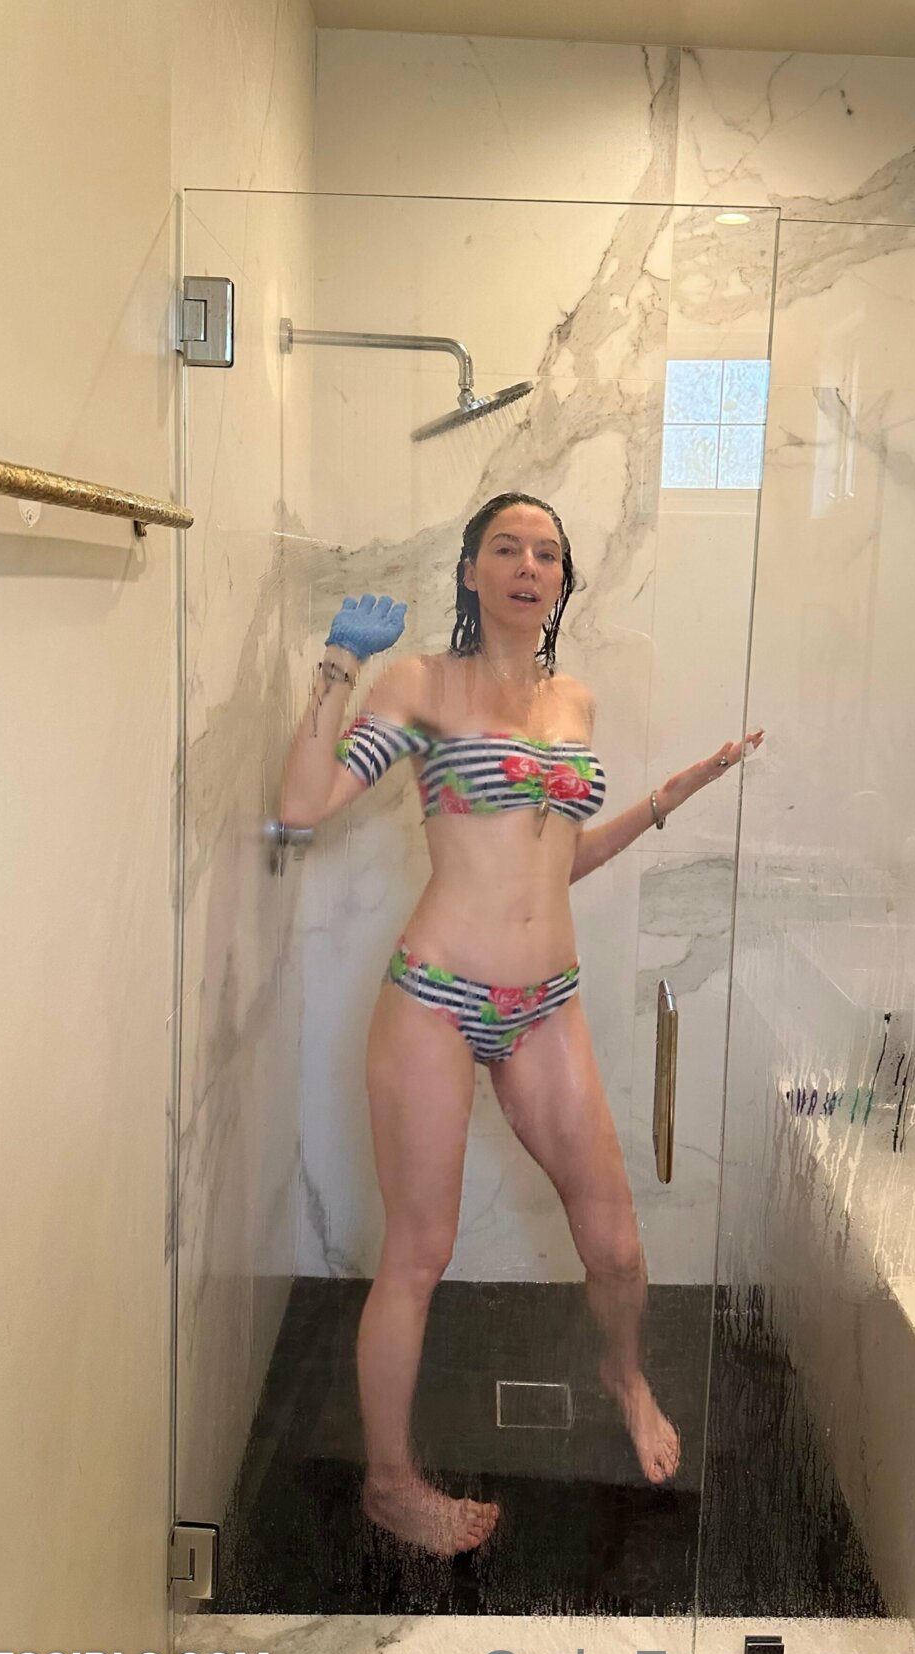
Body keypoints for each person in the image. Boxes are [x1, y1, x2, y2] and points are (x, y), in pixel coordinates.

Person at [280, 491, 762, 1557]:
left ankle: (622, 1374)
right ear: (470, 569)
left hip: (546, 1003)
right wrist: (338, 665)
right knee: (419, 1252)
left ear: (562, 580)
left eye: (546, 553)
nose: (528, 566)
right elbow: (301, 805)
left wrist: (665, 800)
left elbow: (555, 860)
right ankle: (389, 1482)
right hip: (437, 996)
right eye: (506, 548)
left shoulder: (573, 700)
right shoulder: (420, 686)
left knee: (617, 1245)